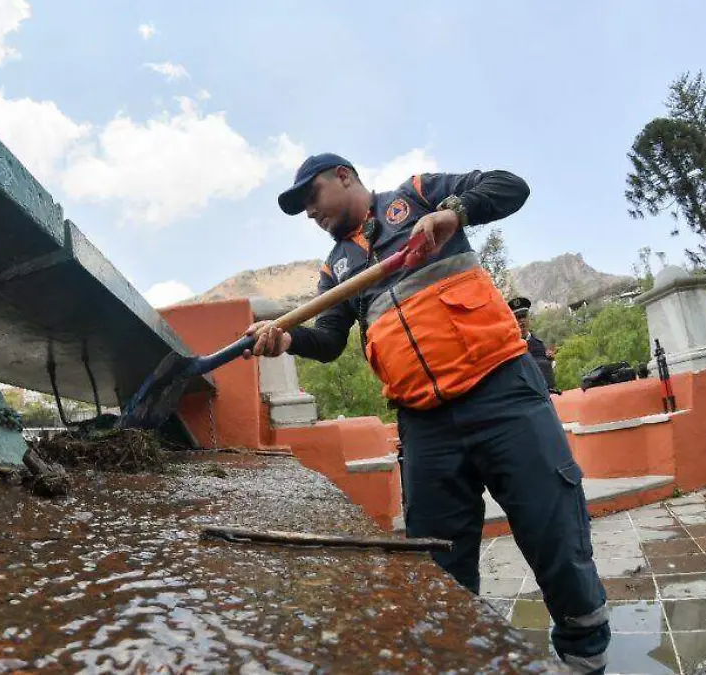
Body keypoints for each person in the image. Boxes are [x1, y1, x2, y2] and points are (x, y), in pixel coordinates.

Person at [245, 153, 610, 674]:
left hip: (503, 394)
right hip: (425, 425)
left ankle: (585, 658)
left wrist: (453, 212)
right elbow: (327, 341)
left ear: (344, 176)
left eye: (312, 196)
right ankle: (460, 661)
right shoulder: (336, 268)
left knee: (556, 536)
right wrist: (287, 339)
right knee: (439, 567)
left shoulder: (416, 194)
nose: (309, 212)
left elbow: (510, 185)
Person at [508, 296, 558, 391]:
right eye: (517, 317)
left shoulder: (540, 345)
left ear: (528, 318)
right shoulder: (509, 349)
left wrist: (549, 361)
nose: (521, 320)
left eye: (524, 316)